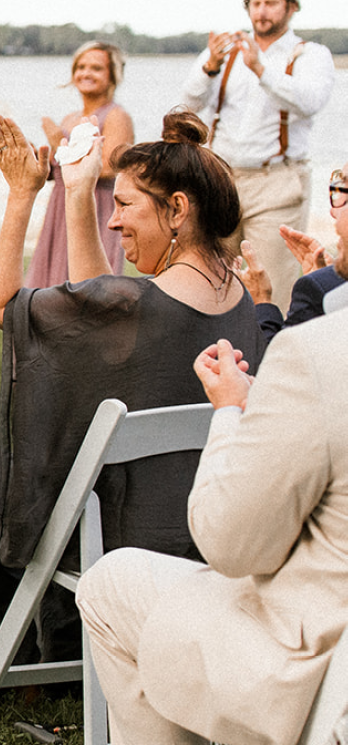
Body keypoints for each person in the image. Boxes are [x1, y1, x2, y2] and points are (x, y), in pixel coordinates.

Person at [0, 108, 265, 694]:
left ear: (179, 209)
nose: (115, 223)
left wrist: (20, 196)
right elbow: (99, 302)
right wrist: (80, 191)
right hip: (203, 531)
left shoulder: (136, 303)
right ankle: (58, 645)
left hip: (113, 531)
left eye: (127, 205)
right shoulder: (241, 299)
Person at [76, 240, 348, 745]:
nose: (337, 212)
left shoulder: (319, 352)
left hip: (318, 677)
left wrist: (231, 413)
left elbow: (229, 545)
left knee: (111, 583)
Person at [179, 0, 335, 310]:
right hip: (220, 179)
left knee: (272, 283)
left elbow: (310, 101)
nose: (261, 11)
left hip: (275, 181)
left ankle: (270, 355)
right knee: (210, 275)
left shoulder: (310, 55)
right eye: (255, 3)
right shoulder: (226, 51)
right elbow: (188, 105)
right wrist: (209, 67)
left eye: (271, 3)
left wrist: (261, 69)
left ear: (291, 7)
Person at [26, 41, 134, 286]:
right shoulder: (70, 118)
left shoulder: (117, 116)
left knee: (90, 284)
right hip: (61, 205)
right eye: (81, 67)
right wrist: (38, 156)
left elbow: (109, 168)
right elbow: (58, 169)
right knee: (54, 281)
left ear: (112, 75)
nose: (86, 73)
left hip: (96, 207)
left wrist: (60, 143)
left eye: (96, 68)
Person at [243, 162, 348, 342]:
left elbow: (274, 365)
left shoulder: (316, 290)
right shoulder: (327, 289)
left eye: (344, 193)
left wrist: (261, 303)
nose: (332, 211)